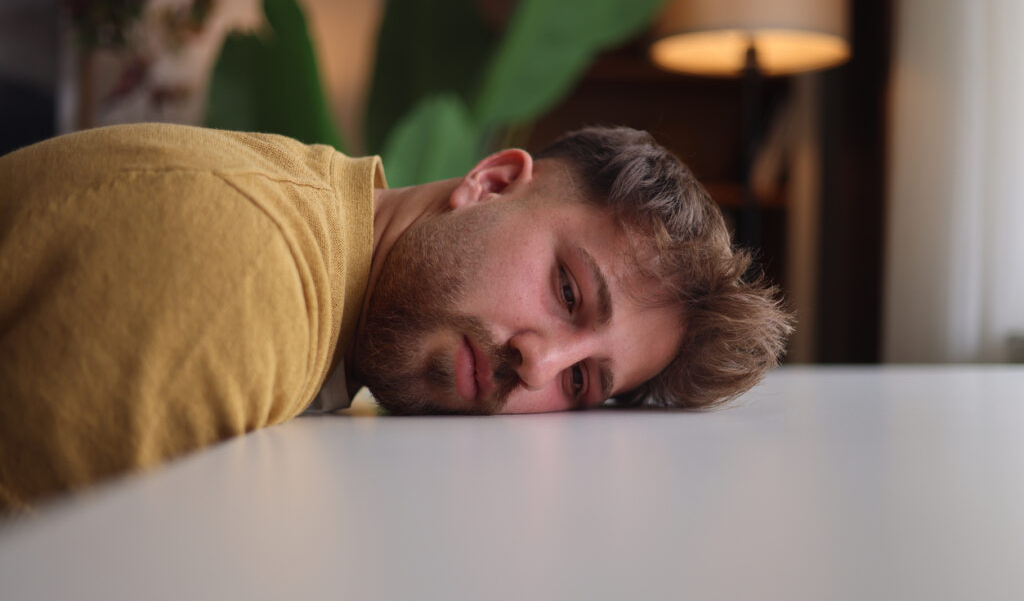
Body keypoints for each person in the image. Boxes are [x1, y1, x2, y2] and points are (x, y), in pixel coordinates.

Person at [0, 124, 792, 510]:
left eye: (584, 379)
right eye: (567, 291)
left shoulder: (320, 235)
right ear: (490, 180)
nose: (538, 367)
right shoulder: (255, 278)